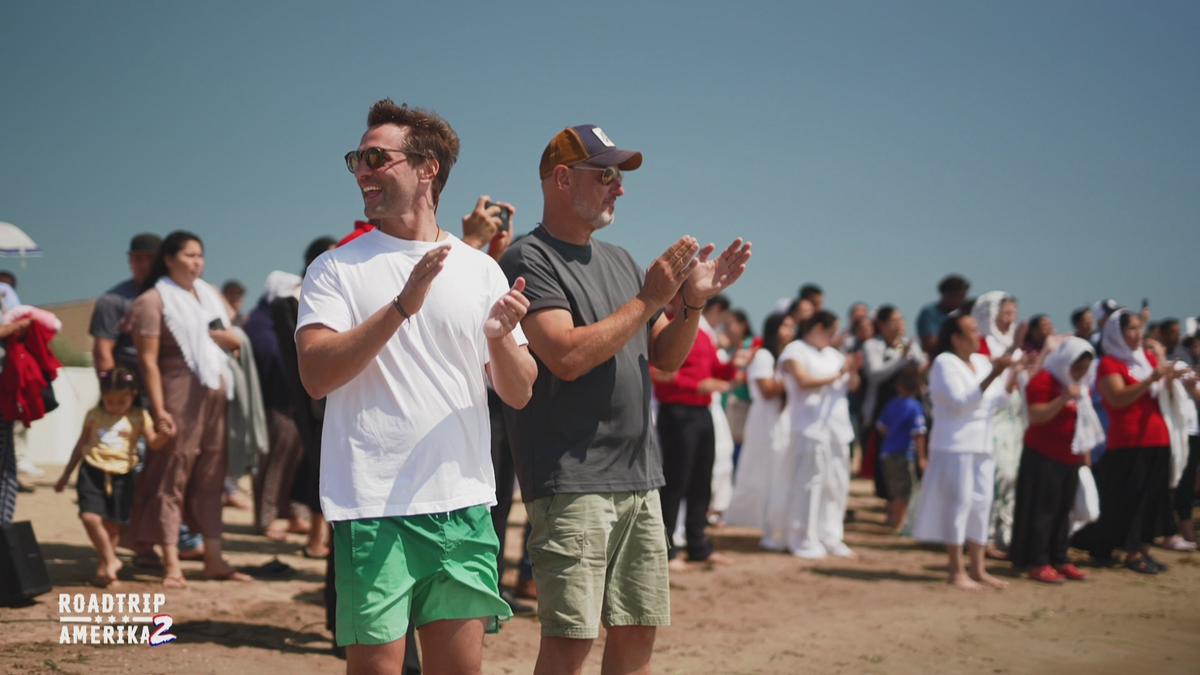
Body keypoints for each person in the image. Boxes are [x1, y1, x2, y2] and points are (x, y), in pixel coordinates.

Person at [499, 123, 751, 675]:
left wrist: (691, 302)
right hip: (572, 479)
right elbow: (563, 355)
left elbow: (664, 355)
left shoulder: (620, 259)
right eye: (606, 174)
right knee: (570, 641)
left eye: (619, 175)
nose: (619, 187)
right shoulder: (527, 258)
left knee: (638, 631)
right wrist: (650, 297)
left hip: (639, 477)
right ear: (563, 179)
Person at [296, 99, 536, 674]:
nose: (361, 170)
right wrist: (401, 307)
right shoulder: (335, 269)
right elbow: (316, 374)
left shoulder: (481, 269)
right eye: (357, 158)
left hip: (463, 504)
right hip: (373, 506)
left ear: (427, 168)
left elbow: (520, 390)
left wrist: (502, 340)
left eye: (376, 157)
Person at [122, 230, 250, 586]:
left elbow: (230, 338)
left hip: (214, 392)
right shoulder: (153, 300)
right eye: (189, 255)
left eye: (200, 255)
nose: (197, 262)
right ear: (169, 258)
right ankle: (171, 563)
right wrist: (159, 409)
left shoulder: (209, 295)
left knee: (211, 473)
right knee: (170, 473)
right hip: (177, 394)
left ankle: (213, 559)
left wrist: (229, 340)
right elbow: (147, 362)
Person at [912, 311, 1017, 591]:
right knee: (957, 504)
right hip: (953, 445)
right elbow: (959, 402)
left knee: (981, 504)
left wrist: (1010, 375)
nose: (977, 335)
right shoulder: (943, 363)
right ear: (955, 337)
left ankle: (978, 568)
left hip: (981, 443)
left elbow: (996, 401)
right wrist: (995, 372)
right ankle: (956, 569)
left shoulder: (981, 362)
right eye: (971, 331)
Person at [1072, 310, 1179, 573]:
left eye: (1139, 328)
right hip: (1129, 440)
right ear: (1118, 333)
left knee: (1152, 498)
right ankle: (1131, 554)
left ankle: (1143, 550)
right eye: (1131, 329)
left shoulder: (1146, 359)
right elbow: (1117, 398)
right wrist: (1153, 377)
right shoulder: (1109, 363)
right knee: (1131, 499)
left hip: (1157, 436)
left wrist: (1167, 376)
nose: (1138, 333)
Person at [55, 368, 169, 587]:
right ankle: (111, 560)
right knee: (90, 517)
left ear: (133, 395)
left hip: (123, 474)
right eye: (110, 401)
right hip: (93, 470)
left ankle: (104, 571)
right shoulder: (94, 415)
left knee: (113, 524)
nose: (115, 406)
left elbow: (154, 443)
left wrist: (165, 436)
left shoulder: (139, 417)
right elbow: (81, 445)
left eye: (121, 401)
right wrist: (66, 474)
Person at [653, 292, 743, 570]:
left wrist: (733, 365)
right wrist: (698, 386)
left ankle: (698, 544)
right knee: (675, 481)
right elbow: (656, 371)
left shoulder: (703, 332)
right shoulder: (666, 326)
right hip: (677, 410)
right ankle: (667, 550)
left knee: (702, 479)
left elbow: (715, 369)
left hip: (701, 412)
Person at [1009, 338, 1101, 583]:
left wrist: (1085, 457)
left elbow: (1084, 422)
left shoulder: (1080, 385)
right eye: (1076, 367)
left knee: (1063, 512)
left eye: (1083, 369)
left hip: (1069, 457)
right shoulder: (1044, 380)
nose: (1079, 373)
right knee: (1043, 512)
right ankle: (1038, 561)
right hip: (1043, 456)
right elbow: (1036, 416)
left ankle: (1059, 558)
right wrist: (1061, 400)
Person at [772, 310, 861, 558]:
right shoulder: (795, 350)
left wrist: (851, 371)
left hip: (838, 428)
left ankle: (831, 535)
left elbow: (853, 386)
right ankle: (802, 536)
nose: (834, 337)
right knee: (808, 485)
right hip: (808, 428)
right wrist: (839, 373)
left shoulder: (834, 354)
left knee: (836, 484)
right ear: (819, 327)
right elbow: (803, 380)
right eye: (831, 332)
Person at [242, 271, 313, 543]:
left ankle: (287, 513)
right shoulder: (262, 325)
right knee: (273, 464)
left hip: (288, 405)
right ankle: (265, 519)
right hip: (275, 405)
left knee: (290, 463)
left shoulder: (274, 320)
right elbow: (274, 361)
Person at [971, 291, 1028, 559]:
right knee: (997, 475)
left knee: (1012, 476)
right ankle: (986, 536)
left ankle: (1006, 534)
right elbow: (987, 371)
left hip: (1013, 418)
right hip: (992, 418)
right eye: (1005, 313)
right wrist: (1013, 349)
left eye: (1012, 313)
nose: (1010, 318)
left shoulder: (1012, 342)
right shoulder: (981, 342)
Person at [725, 313, 793, 532]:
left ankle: (772, 518)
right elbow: (766, 391)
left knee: (776, 468)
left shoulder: (785, 356)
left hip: (780, 419)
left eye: (792, 327)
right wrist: (793, 378)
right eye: (786, 326)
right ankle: (756, 518)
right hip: (764, 418)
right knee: (760, 470)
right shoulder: (763, 355)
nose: (790, 331)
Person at [860, 306, 927, 491]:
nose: (899, 325)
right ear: (881, 324)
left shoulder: (910, 344)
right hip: (883, 408)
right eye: (894, 320)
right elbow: (874, 374)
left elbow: (923, 368)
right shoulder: (872, 345)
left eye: (901, 320)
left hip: (910, 408)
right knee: (885, 454)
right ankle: (890, 499)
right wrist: (900, 360)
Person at [90, 233, 162, 377]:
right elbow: (103, 352)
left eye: (150, 258)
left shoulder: (178, 297)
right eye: (138, 258)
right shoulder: (112, 301)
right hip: (132, 391)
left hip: (172, 387)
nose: (144, 264)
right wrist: (114, 392)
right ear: (130, 261)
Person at [875, 366, 926, 532]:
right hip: (903, 454)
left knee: (893, 489)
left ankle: (892, 518)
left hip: (886, 452)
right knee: (904, 491)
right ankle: (898, 524)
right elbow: (918, 434)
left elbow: (881, 428)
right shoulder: (915, 407)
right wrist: (921, 458)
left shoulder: (891, 404)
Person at [917, 274, 970, 356]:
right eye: (960, 296)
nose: (963, 300)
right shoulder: (930, 313)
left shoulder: (963, 314)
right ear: (947, 294)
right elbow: (931, 344)